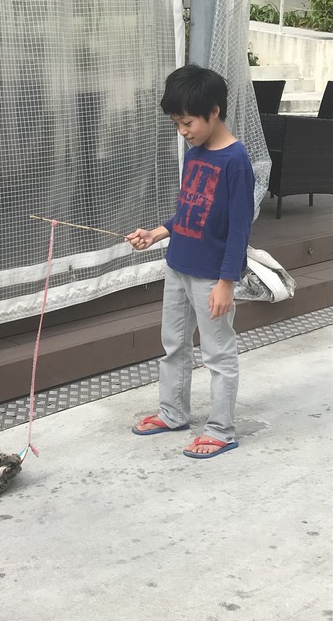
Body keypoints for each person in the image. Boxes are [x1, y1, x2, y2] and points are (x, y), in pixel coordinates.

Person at [126, 65, 254, 459]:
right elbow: (191, 209)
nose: (182, 131)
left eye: (187, 122)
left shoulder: (236, 161)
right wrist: (158, 232)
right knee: (173, 345)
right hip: (177, 264)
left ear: (214, 111)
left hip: (211, 277)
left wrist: (226, 282)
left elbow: (238, 229)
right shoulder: (196, 152)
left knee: (218, 353)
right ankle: (173, 412)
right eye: (176, 124)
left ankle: (220, 430)